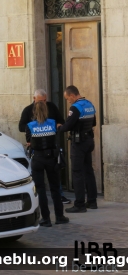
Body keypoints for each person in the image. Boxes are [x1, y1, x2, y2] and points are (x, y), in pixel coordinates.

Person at [19, 89, 71, 204]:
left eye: (45, 100)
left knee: (54, 180)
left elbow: (61, 121)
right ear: (34, 99)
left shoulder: (51, 107)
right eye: (40, 101)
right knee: (40, 183)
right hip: (37, 152)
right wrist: (34, 129)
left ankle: (59, 198)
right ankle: (44, 205)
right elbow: (21, 126)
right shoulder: (28, 111)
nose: (43, 103)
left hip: (51, 149)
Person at [26, 101, 69, 227]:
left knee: (40, 189)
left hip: (37, 159)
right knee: (55, 188)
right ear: (47, 111)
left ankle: (46, 219)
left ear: (34, 112)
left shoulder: (30, 126)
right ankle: (59, 216)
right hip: (51, 158)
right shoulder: (53, 123)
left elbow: (29, 141)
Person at [58, 85, 97, 213]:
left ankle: (79, 204)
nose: (68, 101)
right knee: (88, 171)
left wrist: (59, 127)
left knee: (77, 172)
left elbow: (67, 126)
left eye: (67, 98)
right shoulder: (89, 104)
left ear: (72, 95)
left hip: (79, 143)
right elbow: (94, 123)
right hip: (89, 141)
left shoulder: (75, 108)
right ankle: (92, 201)